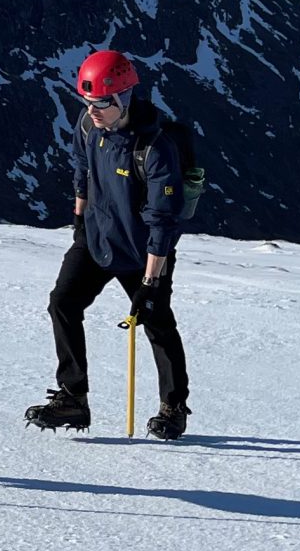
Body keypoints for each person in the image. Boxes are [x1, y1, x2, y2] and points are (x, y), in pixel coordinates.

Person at [24, 49, 191, 439]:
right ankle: (73, 398)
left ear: (123, 99)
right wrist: (80, 223)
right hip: (96, 239)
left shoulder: (155, 148)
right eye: (88, 102)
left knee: (157, 323)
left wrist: (151, 282)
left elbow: (162, 220)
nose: (92, 111)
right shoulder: (88, 126)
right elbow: (82, 171)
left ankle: (173, 406)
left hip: (142, 252)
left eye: (101, 103)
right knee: (62, 303)